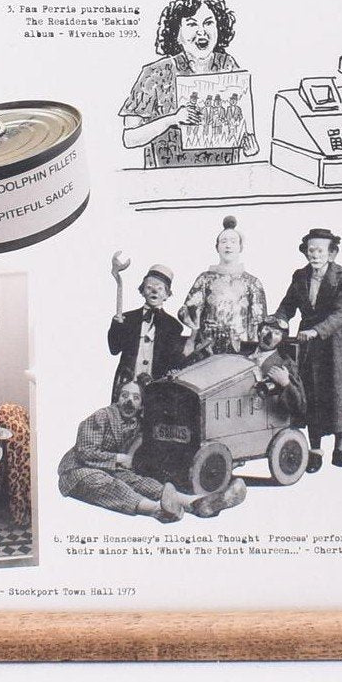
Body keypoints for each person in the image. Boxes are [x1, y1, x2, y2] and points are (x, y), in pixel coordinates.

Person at [58, 381, 246, 520]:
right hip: (77, 472)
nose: (129, 401)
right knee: (110, 485)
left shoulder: (138, 424)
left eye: (135, 398)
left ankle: (196, 503)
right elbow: (85, 451)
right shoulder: (102, 417)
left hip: (112, 469)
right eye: (124, 396)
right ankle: (158, 511)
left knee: (140, 482)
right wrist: (118, 458)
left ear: (141, 404)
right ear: (117, 399)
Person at [119, 0, 258, 168]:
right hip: (166, 177)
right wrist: (172, 120)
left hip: (222, 175)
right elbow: (129, 138)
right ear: (176, 34)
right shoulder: (155, 74)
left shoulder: (228, 65)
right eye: (192, 24)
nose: (202, 31)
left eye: (208, 23)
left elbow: (241, 125)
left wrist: (249, 144)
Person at [272, 227, 342, 472]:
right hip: (309, 345)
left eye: (320, 251)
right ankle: (315, 451)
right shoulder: (300, 276)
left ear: (332, 253)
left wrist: (316, 331)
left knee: (339, 393)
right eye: (311, 250)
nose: (315, 255)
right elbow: (287, 305)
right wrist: (281, 320)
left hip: (337, 343)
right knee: (311, 393)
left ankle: (340, 449)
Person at [179, 215, 268, 358]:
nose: (228, 246)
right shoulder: (205, 279)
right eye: (223, 241)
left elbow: (258, 321)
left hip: (241, 348)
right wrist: (191, 341)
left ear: (240, 247)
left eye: (233, 242)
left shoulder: (252, 283)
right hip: (207, 345)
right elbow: (193, 313)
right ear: (217, 247)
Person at [106, 263, 188, 400]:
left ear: (167, 294)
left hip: (155, 388)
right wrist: (116, 326)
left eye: (160, 288)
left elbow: (173, 360)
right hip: (127, 385)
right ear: (142, 291)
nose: (154, 291)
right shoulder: (127, 319)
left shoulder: (173, 326)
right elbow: (114, 349)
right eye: (149, 287)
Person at [239, 318, 306, 423]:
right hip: (240, 415)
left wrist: (286, 384)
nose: (269, 335)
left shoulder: (285, 364)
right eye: (266, 329)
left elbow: (300, 407)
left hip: (267, 420)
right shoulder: (243, 356)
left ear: (281, 340)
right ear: (259, 332)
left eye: (277, 333)